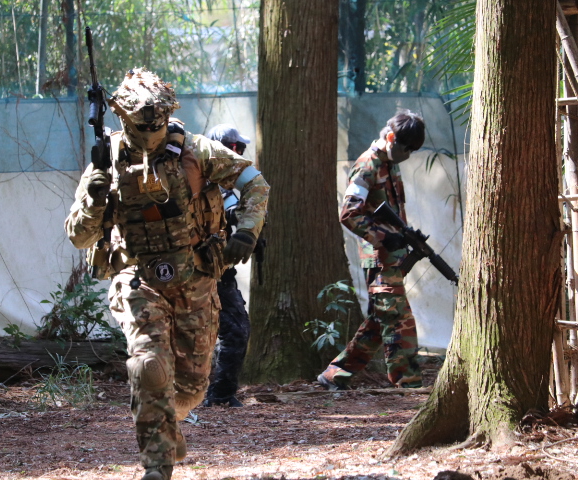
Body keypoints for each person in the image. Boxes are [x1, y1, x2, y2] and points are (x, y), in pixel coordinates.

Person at [64, 68, 269, 480]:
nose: (150, 133)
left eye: (156, 125)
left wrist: (247, 231)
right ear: (124, 119)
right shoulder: (107, 162)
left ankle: (166, 423)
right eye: (140, 126)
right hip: (137, 278)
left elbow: (255, 184)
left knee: (191, 389)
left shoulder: (198, 151)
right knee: (149, 366)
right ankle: (157, 465)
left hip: (195, 279)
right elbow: (79, 236)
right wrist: (95, 196)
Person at [317, 110, 425, 391]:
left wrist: (402, 237)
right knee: (398, 320)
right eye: (405, 148)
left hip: (390, 259)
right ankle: (409, 384)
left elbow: (391, 215)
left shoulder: (390, 164)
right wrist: (383, 238)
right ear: (390, 138)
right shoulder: (368, 165)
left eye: (412, 150)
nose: (407, 154)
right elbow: (349, 213)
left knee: (379, 320)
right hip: (378, 259)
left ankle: (335, 374)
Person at [202, 124, 253, 408]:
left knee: (236, 329)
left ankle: (220, 394)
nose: (241, 155)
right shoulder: (197, 183)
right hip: (197, 273)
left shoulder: (229, 185)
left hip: (219, 272)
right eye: (238, 149)